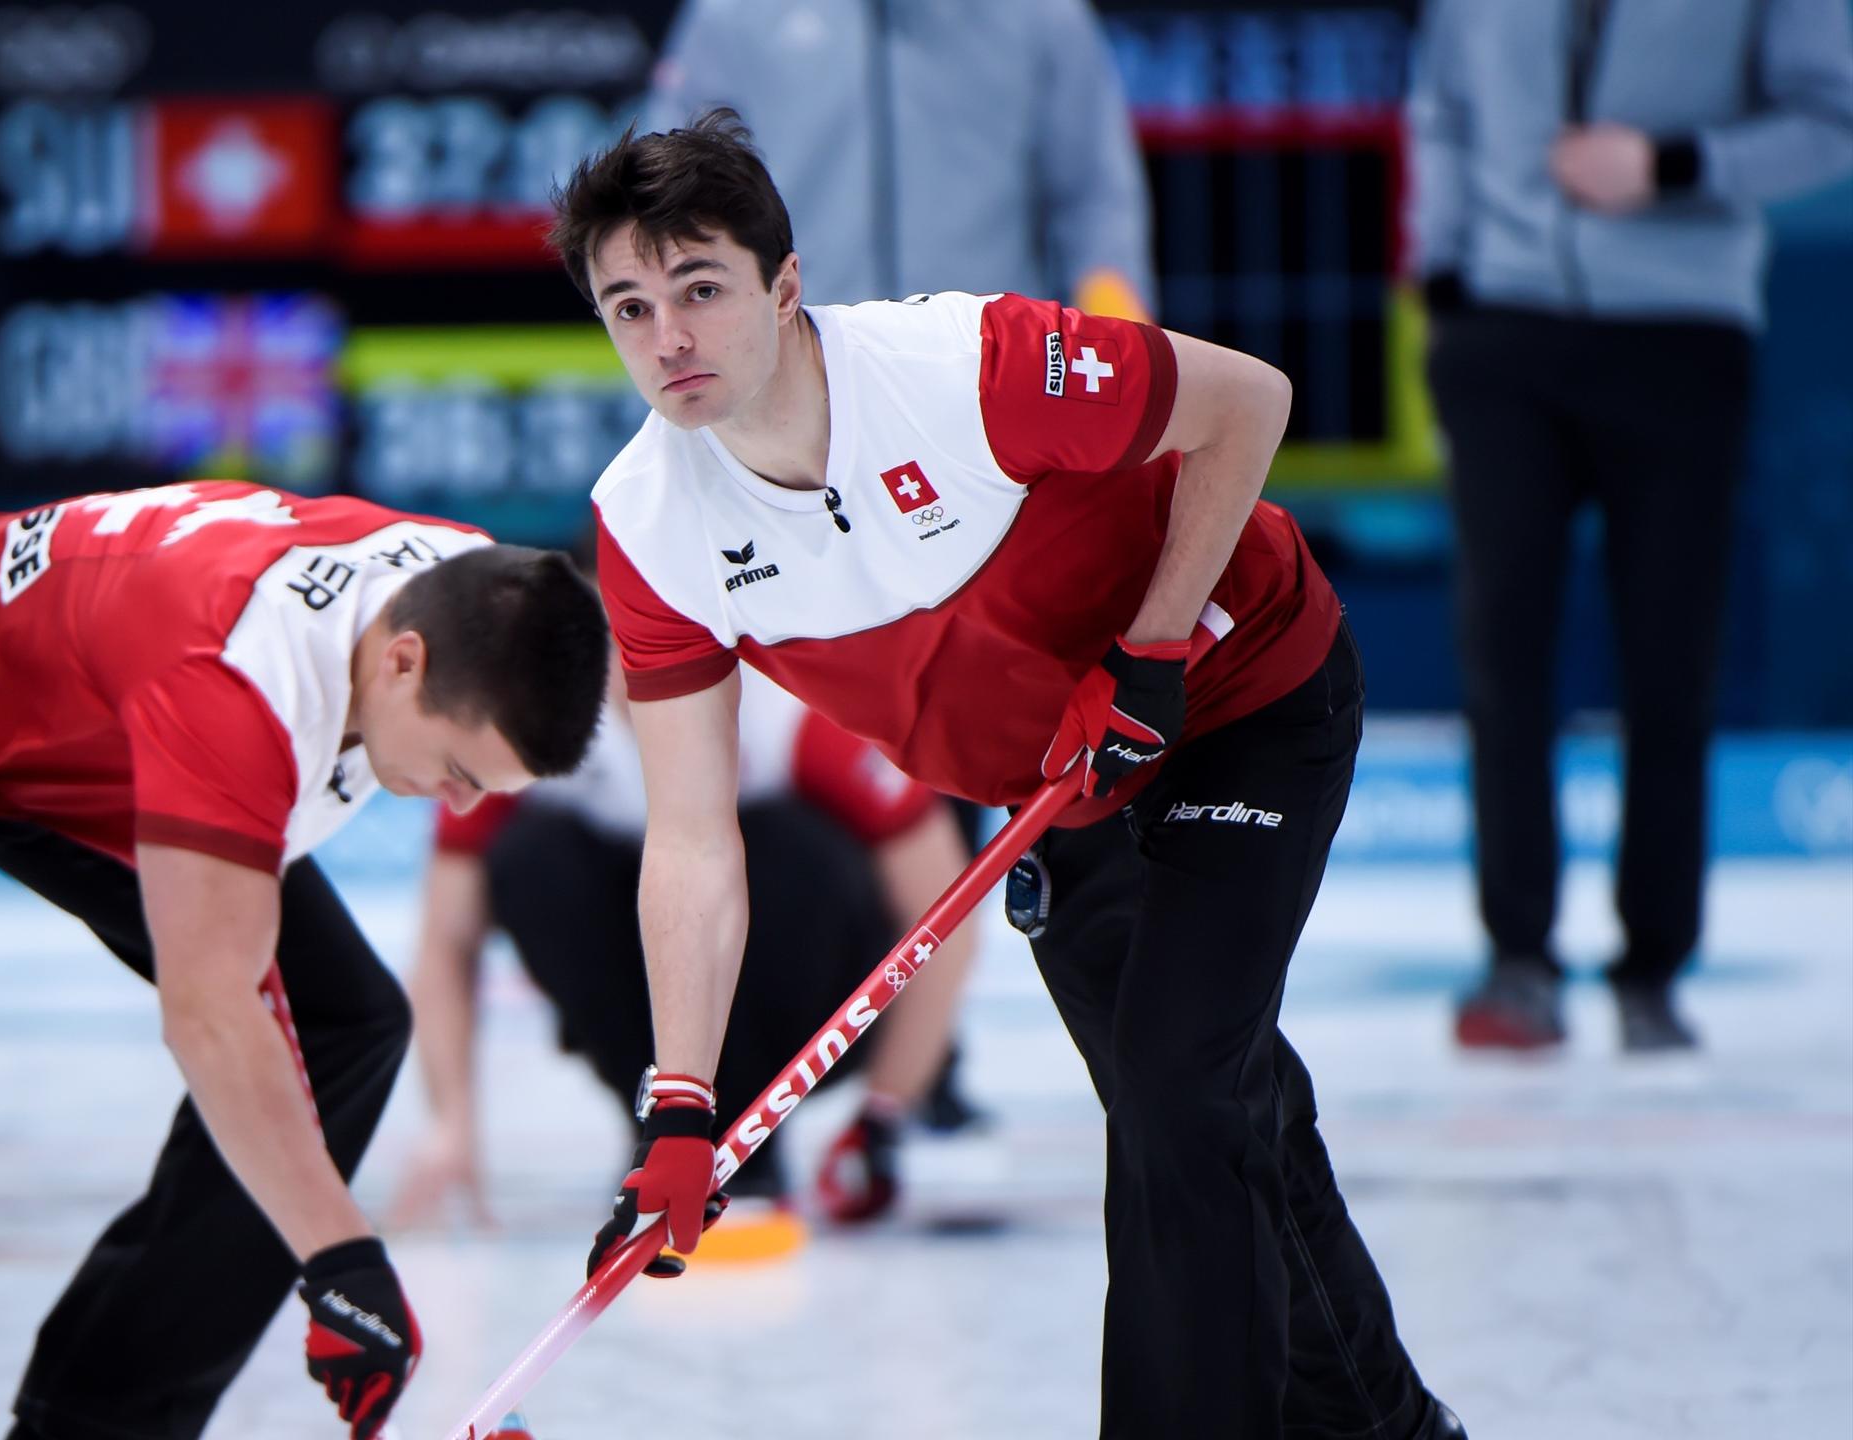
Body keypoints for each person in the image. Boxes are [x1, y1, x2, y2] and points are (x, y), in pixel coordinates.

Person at [552, 113, 1462, 1439]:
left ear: (785, 285)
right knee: (1208, 1107)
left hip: (1240, 694)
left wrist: (1152, 650)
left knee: (1175, 1083)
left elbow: (1248, 404)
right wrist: (683, 1105)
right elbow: (692, 843)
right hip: (1062, 788)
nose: (668, 338)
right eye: (628, 306)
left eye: (700, 289)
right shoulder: (648, 531)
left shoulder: (969, 367)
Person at [0, 479, 610, 1440]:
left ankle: (94, 1427)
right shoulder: (236, 679)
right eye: (461, 771)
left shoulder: (477, 592)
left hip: (74, 740)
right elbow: (212, 1013)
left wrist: (685, 1081)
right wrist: (338, 1259)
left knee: (350, 1020)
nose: (462, 805)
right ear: (403, 663)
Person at [1409, 0, 1853, 1053]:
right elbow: (1440, 111)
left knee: (1668, 659)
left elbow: (1830, 118)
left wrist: (1674, 163)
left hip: (1678, 328)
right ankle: (1515, 959)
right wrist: (1442, 281)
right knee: (1501, 651)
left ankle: (1651, 964)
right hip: (1501, 323)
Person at [390, 662, 991, 1254]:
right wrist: (450, 1125)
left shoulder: (794, 713)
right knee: (534, 858)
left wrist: (881, 1117)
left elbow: (943, 916)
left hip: (800, 975)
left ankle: (749, 1129)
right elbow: (447, 936)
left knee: (790, 851)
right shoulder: (535, 722)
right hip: (635, 990)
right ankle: (657, 1121)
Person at [649, 0, 1154, 317]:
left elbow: (1094, 199)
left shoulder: (1041, 14)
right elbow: (678, 198)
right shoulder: (732, 15)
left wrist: (1120, 342)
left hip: (989, 377)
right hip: (802, 368)